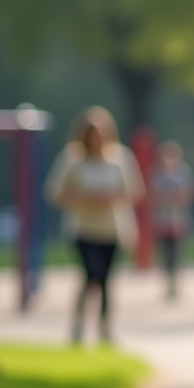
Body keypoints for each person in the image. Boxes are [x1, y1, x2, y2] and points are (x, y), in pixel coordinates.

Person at [45, 107, 144, 345]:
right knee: (91, 275)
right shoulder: (72, 159)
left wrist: (110, 197)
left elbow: (135, 191)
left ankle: (105, 328)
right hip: (83, 228)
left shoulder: (121, 158)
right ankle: (78, 325)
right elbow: (54, 192)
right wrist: (84, 197)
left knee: (107, 279)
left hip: (112, 228)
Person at [151, 140, 194, 300]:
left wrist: (175, 197)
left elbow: (191, 192)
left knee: (178, 253)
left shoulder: (183, 172)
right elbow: (152, 195)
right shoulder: (156, 173)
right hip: (162, 220)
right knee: (165, 254)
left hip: (179, 219)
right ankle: (167, 282)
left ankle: (176, 282)